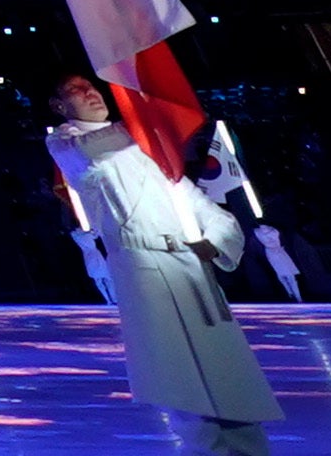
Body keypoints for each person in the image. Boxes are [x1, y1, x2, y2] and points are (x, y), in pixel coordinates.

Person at [48, 78, 269, 456]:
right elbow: (97, 149)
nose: (89, 92)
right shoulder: (67, 143)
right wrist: (144, 117)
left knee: (228, 379)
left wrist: (213, 244)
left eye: (91, 85)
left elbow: (205, 209)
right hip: (143, 267)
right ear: (59, 106)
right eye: (75, 90)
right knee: (182, 381)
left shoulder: (149, 151)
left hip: (190, 270)